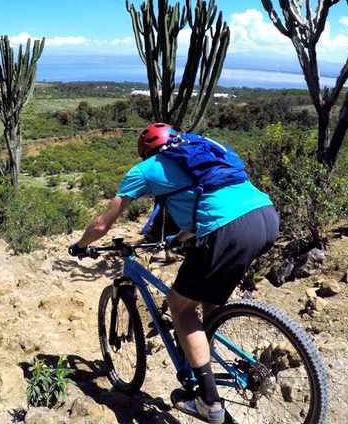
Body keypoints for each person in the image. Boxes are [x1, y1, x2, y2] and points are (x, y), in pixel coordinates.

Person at [69, 122, 279, 424]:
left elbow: (104, 223)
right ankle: (205, 359)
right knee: (208, 301)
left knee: (180, 306)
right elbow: (203, 208)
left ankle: (208, 402)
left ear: (146, 152)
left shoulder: (144, 170)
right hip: (266, 217)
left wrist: (80, 245)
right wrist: (176, 240)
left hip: (227, 227)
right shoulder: (202, 153)